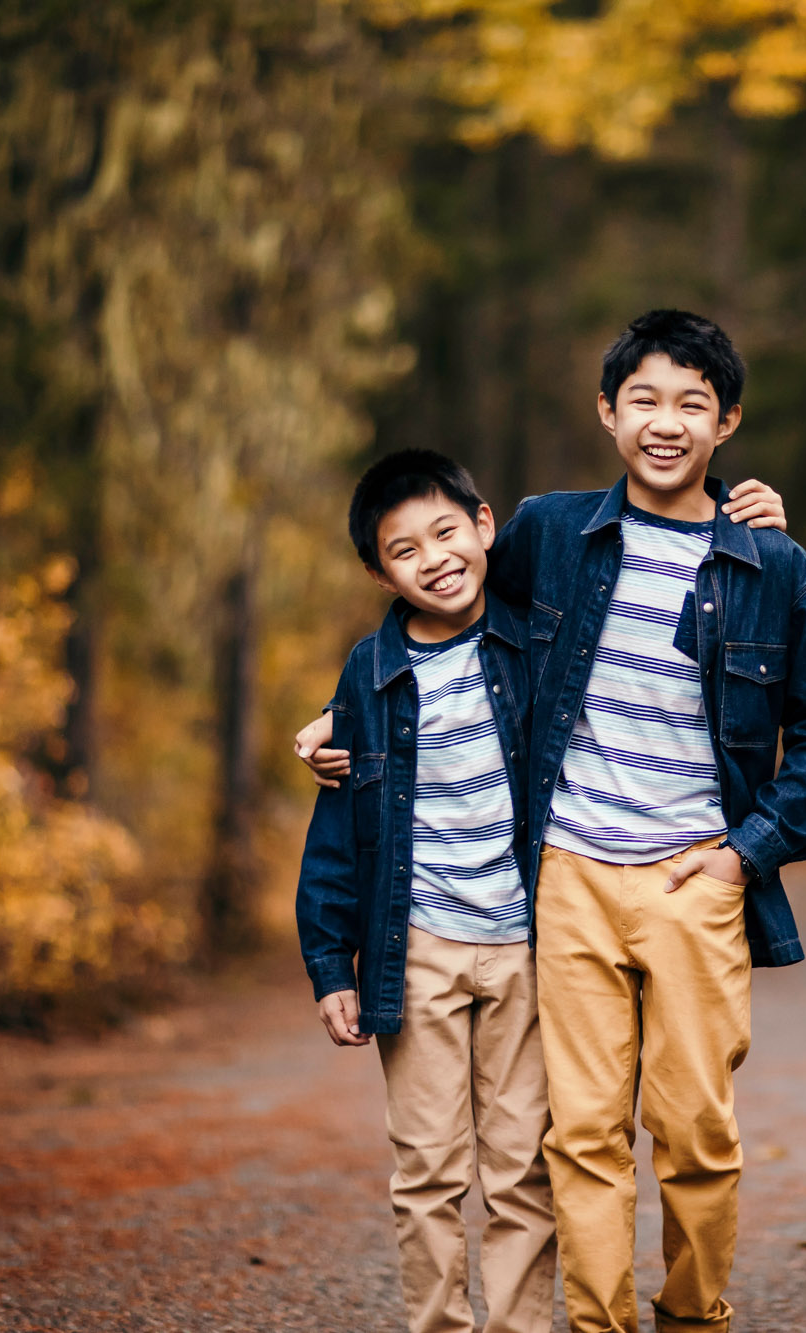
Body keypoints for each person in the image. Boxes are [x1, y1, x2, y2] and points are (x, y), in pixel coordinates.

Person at [299, 310, 806, 1333]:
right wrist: (341, 716)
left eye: (691, 403)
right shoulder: (549, 533)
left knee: (693, 1127)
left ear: (726, 421)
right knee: (583, 1133)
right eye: (641, 398)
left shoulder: (773, 568)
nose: (664, 421)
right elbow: (439, 596)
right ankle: (594, 1326)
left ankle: (694, 1313)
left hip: (697, 881)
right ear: (606, 412)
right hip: (565, 877)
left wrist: (747, 854)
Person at [295, 449, 551, 1333]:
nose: (434, 558)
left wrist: (742, 515)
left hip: (528, 942)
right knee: (428, 1167)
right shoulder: (367, 674)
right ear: (378, 572)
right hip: (420, 947)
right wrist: (332, 962)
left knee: (524, 1164)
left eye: (447, 532)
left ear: (485, 527)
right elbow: (337, 832)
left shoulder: (536, 638)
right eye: (404, 550)